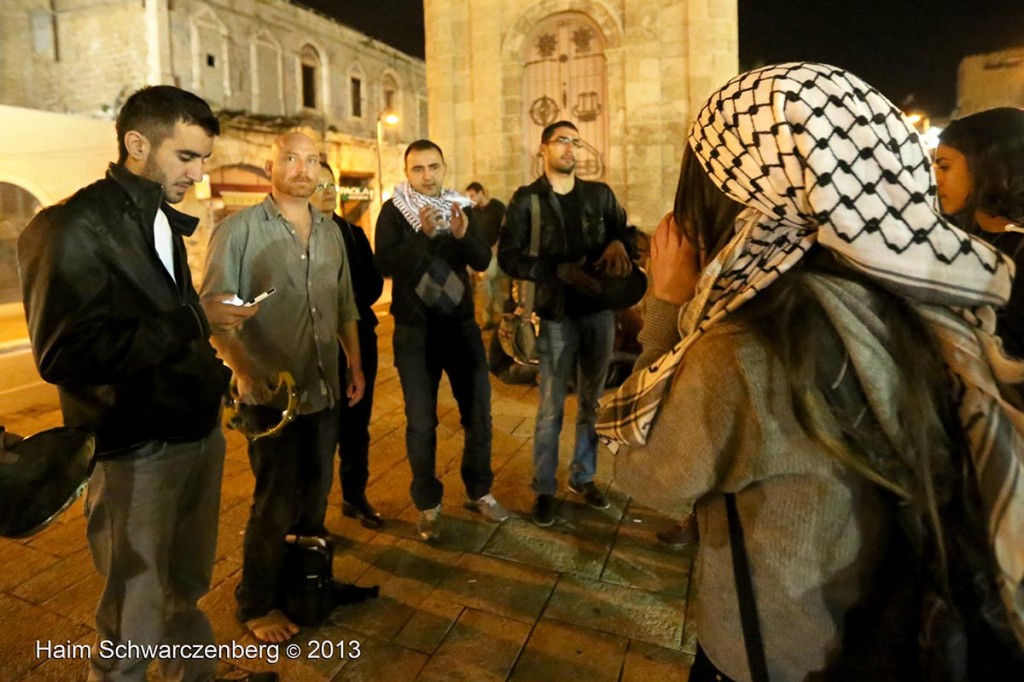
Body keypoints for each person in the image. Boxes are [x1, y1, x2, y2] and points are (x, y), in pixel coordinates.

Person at [598, 63, 1024, 679]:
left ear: (743, 187)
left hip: (778, 652)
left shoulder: (750, 345)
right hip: (899, 638)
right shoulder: (917, 297)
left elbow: (650, 477)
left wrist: (668, 310)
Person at [17, 86, 267, 681]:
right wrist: (195, 319)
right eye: (187, 157)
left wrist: (213, 369)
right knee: (134, 609)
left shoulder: (156, 215)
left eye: (204, 159)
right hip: (135, 452)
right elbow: (64, 354)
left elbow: (163, 321)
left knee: (185, 587)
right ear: (136, 143)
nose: (199, 174)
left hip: (193, 432)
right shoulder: (69, 226)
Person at [202, 132, 365, 643]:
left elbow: (344, 304)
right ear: (270, 166)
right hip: (270, 398)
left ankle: (306, 583)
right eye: (290, 158)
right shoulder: (238, 231)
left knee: (316, 495)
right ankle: (255, 604)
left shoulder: (331, 230)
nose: (301, 168)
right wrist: (246, 369)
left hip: (324, 388)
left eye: (312, 160)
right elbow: (215, 313)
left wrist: (354, 364)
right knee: (274, 501)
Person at [499, 120, 634, 527]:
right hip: (556, 316)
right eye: (563, 141)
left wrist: (618, 242)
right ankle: (544, 488)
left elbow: (627, 233)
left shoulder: (600, 194)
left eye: (576, 142)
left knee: (592, 402)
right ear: (543, 149)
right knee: (550, 408)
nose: (571, 148)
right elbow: (508, 257)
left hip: (599, 312)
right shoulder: (527, 201)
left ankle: (583, 476)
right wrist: (557, 271)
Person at [374, 139, 509, 542]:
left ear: (444, 167)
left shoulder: (459, 208)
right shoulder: (394, 212)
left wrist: (464, 235)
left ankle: (479, 491)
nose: (426, 176)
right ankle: (428, 504)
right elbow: (384, 264)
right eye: (418, 169)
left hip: (461, 328)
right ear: (407, 173)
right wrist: (422, 237)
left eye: (433, 167)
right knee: (421, 423)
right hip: (415, 332)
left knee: (479, 415)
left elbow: (482, 260)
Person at [311, 162, 385, 528]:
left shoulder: (353, 234)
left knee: (356, 425)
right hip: (314, 343)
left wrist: (344, 300)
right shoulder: (298, 234)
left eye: (331, 184)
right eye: (319, 184)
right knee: (320, 430)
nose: (327, 191)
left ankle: (355, 497)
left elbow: (373, 286)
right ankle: (313, 512)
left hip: (359, 337)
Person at [935, 108, 1024, 357]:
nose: (936, 179)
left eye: (944, 167)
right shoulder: (953, 236)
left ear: (987, 165)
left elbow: (1010, 351)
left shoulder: (1018, 249)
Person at [465, 181, 508, 329]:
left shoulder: (497, 207)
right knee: (489, 283)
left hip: (495, 251)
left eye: (472, 196)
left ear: (481, 192)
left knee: (488, 282)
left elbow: (505, 228)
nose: (470, 199)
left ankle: (491, 315)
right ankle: (495, 315)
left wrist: (497, 246)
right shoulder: (474, 211)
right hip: (483, 253)